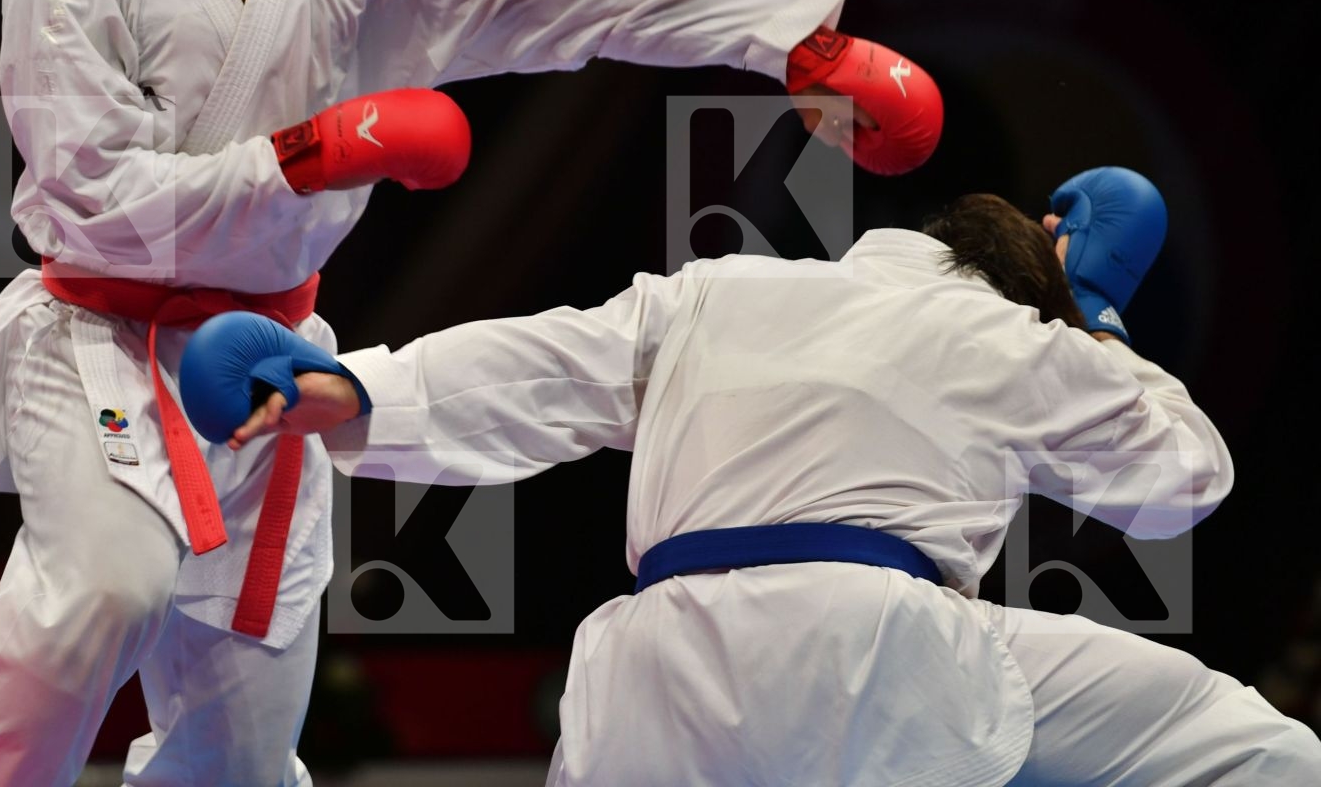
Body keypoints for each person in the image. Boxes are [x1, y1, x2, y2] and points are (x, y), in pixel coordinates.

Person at [0, 0, 941, 786]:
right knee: (102, 593)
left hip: (273, 362)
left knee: (243, 747)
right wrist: (316, 153)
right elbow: (97, 194)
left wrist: (783, 38)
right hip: (104, 339)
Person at [192, 168, 1321, 785]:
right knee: (1259, 753)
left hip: (655, 668)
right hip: (867, 648)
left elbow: (536, 364)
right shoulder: (1015, 334)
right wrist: (1101, 322)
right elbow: (1185, 478)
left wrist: (355, 388)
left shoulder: (718, 291)